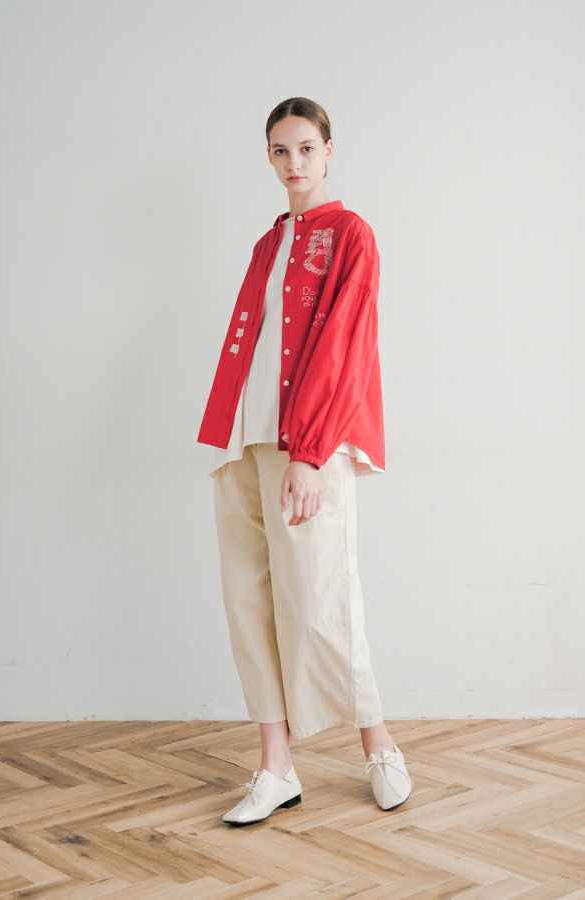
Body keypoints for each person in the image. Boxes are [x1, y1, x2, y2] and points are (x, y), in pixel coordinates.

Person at [197, 96, 412, 826]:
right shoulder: (268, 242)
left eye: (306, 148)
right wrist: (232, 435)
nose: (294, 163)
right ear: (268, 157)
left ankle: (379, 744)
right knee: (248, 600)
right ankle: (275, 767)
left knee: (321, 599)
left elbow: (347, 343)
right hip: (246, 439)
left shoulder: (350, 234)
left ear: (329, 151)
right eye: (281, 151)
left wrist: (312, 453)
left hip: (307, 446)